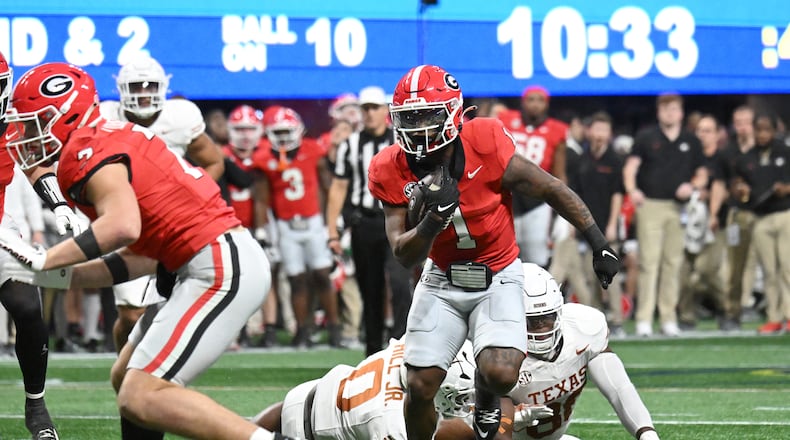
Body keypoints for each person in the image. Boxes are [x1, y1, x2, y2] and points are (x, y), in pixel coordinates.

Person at [0, 62, 292, 440]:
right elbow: (140, 255)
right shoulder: (102, 136)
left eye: (36, 123)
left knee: (141, 394)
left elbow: (122, 226)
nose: (26, 135)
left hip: (217, 265)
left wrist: (48, 258)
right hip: (198, 262)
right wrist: (49, 274)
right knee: (125, 377)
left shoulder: (86, 149)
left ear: (67, 115)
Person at [366, 64, 618, 440]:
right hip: (442, 278)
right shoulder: (390, 166)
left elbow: (550, 188)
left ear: (452, 114)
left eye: (427, 116)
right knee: (419, 385)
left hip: (498, 273)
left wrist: (599, 242)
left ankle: (485, 398)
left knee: (500, 373)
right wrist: (435, 219)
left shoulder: (485, 140)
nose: (418, 128)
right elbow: (405, 255)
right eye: (410, 118)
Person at [99, 53, 227, 352]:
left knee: (170, 309)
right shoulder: (105, 118)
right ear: (121, 90)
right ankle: (125, 371)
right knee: (131, 313)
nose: (143, 94)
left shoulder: (179, 118)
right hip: (127, 220)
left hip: (172, 224)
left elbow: (213, 162)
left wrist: (190, 200)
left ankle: (156, 375)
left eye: (149, 86)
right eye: (136, 87)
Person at [0, 51, 88, 440]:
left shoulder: (8, 126)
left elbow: (33, 161)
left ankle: (35, 403)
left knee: (26, 305)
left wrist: (58, 203)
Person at [508, 263, 660, 440]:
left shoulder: (583, 327)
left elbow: (619, 389)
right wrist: (508, 417)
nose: (541, 330)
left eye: (546, 318)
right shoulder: (496, 353)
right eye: (532, 322)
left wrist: (647, 433)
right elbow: (471, 418)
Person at [253, 338, 514, 440]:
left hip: (311, 393)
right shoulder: (391, 421)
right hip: (306, 432)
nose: (467, 404)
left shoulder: (416, 350)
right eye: (461, 398)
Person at [325, 85, 414, 356]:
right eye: (365, 109)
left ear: (385, 110)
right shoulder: (350, 145)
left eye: (374, 108)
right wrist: (332, 232)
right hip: (364, 222)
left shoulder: (400, 142)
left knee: (400, 285)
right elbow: (339, 187)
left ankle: (400, 347)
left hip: (398, 219)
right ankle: (373, 352)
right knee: (370, 289)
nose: (370, 114)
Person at [252, 105, 341, 347]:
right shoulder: (264, 160)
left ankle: (334, 328)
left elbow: (327, 186)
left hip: (313, 222)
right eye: (277, 133)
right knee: (296, 279)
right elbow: (261, 197)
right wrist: (262, 231)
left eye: (286, 132)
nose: (282, 138)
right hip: (285, 225)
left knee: (323, 275)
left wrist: (332, 222)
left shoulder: (313, 151)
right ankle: (302, 330)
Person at [623, 93, 708, 337]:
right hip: (651, 205)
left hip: (678, 207)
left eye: (674, 108)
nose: (670, 113)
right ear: (659, 112)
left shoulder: (690, 141)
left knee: (673, 263)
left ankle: (669, 317)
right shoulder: (646, 137)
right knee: (649, 262)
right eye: (665, 108)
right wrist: (632, 190)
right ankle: (644, 319)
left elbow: (702, 173)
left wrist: (691, 186)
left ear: (681, 112)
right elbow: (631, 168)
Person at [731, 114, 790, 335]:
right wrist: (739, 189)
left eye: (767, 130)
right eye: (759, 130)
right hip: (760, 217)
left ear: (775, 131)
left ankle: (789, 314)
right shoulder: (747, 158)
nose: (763, 134)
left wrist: (786, 189)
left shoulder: (785, 152)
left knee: (787, 267)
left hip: (785, 214)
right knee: (768, 270)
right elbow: (737, 183)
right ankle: (774, 316)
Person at [498, 85, 568, 268]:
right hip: (507, 197)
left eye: (540, 100)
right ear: (522, 102)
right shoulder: (506, 120)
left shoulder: (557, 130)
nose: (535, 105)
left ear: (547, 104)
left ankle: (536, 296)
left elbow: (559, 174)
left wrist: (562, 213)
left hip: (537, 201)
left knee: (536, 261)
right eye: (531, 99)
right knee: (503, 256)